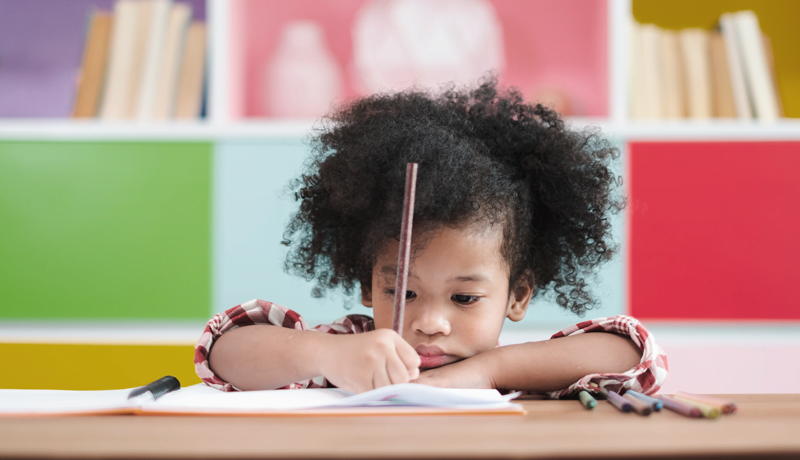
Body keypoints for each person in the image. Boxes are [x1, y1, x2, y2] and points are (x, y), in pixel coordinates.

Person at [194, 79, 667, 398]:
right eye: (403, 291)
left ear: (517, 295)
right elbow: (223, 351)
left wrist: (486, 373)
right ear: (367, 283)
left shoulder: (516, 370)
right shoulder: (351, 353)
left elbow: (636, 353)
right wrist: (327, 354)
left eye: (464, 297)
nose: (431, 323)